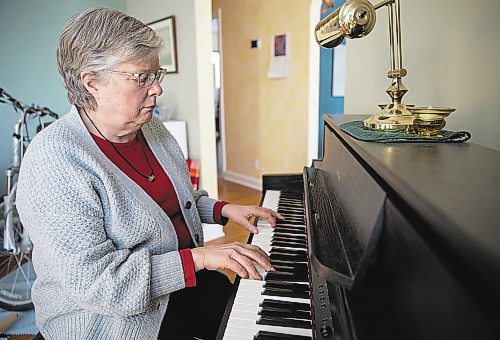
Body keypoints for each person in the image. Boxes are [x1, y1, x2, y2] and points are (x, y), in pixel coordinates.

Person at [16, 7, 283, 340]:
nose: (157, 89)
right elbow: (101, 285)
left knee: (256, 309)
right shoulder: (54, 160)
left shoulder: (152, 129)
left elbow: (173, 200)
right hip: (107, 317)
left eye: (158, 75)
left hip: (178, 277)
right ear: (92, 82)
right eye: (142, 77)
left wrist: (223, 209)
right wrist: (200, 257)